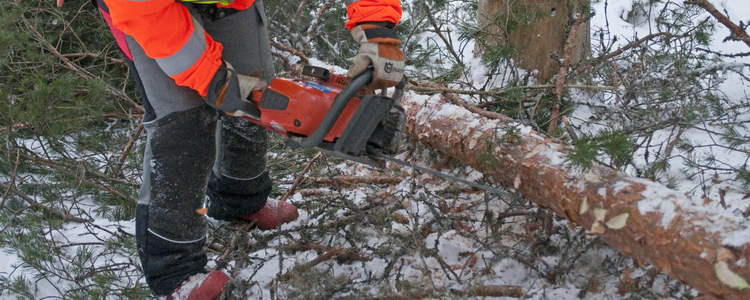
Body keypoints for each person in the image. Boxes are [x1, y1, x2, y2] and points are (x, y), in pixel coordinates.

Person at [57, 0, 404, 298]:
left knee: (258, 92)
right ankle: (172, 268)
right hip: (146, 9)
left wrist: (377, 27)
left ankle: (240, 197)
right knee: (184, 120)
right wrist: (212, 78)